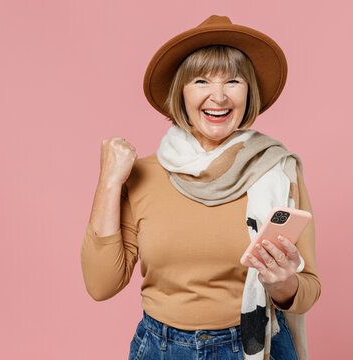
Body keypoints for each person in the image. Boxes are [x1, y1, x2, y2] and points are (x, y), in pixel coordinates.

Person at [81, 15, 320, 360]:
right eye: (201, 80)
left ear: (248, 91)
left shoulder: (277, 170)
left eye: (233, 81)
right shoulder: (142, 174)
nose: (218, 96)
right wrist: (108, 182)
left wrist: (282, 284)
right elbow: (101, 285)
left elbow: (308, 288)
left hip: (253, 347)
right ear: (181, 91)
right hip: (161, 349)